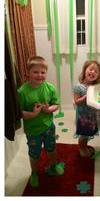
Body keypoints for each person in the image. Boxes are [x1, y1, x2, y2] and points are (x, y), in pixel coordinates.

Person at [18, 56, 64, 188]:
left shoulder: (50, 87)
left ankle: (53, 165)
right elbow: (19, 112)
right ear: (28, 72)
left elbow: (56, 104)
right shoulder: (22, 91)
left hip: (49, 127)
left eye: (43, 72)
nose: (39, 75)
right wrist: (33, 114)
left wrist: (49, 109)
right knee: (34, 153)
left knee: (51, 148)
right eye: (35, 72)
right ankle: (34, 172)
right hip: (33, 131)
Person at [74, 60, 100, 157]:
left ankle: (85, 147)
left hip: (91, 115)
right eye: (91, 69)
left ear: (98, 76)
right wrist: (86, 96)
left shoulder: (95, 87)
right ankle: (82, 149)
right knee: (83, 134)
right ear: (85, 70)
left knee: (87, 134)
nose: (93, 72)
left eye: (96, 71)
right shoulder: (79, 87)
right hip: (82, 117)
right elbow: (77, 102)